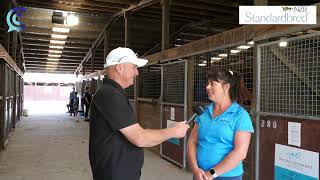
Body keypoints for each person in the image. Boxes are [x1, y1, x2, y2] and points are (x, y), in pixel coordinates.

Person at [89, 47, 190, 180]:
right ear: (119, 68)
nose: (137, 72)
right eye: (134, 67)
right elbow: (140, 138)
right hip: (115, 174)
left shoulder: (111, 92)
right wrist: (173, 131)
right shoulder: (111, 95)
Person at [187, 68, 254, 180]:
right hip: (200, 175)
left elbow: (240, 153)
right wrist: (195, 169)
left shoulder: (240, 115)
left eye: (212, 84)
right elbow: (192, 141)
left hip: (227, 176)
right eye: (207, 83)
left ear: (226, 87)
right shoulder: (204, 113)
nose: (207, 87)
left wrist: (210, 174)